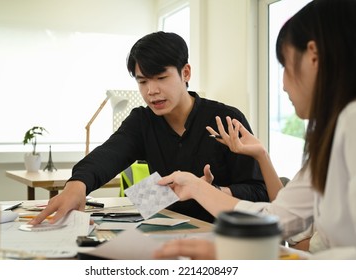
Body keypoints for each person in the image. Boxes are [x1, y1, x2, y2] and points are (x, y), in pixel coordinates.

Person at [154, 0, 356, 259]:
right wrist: (195, 186)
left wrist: (240, 254)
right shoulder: (332, 134)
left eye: (285, 66)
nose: (282, 85)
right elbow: (278, 218)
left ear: (314, 56)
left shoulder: (349, 121)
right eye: (143, 81)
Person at [30, 31, 267, 225]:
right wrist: (77, 185)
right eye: (142, 81)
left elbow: (261, 193)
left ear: (185, 73)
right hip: (165, 230)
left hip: (225, 235)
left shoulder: (225, 119)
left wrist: (209, 190)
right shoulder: (143, 121)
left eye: (161, 78)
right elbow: (110, 154)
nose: (151, 91)